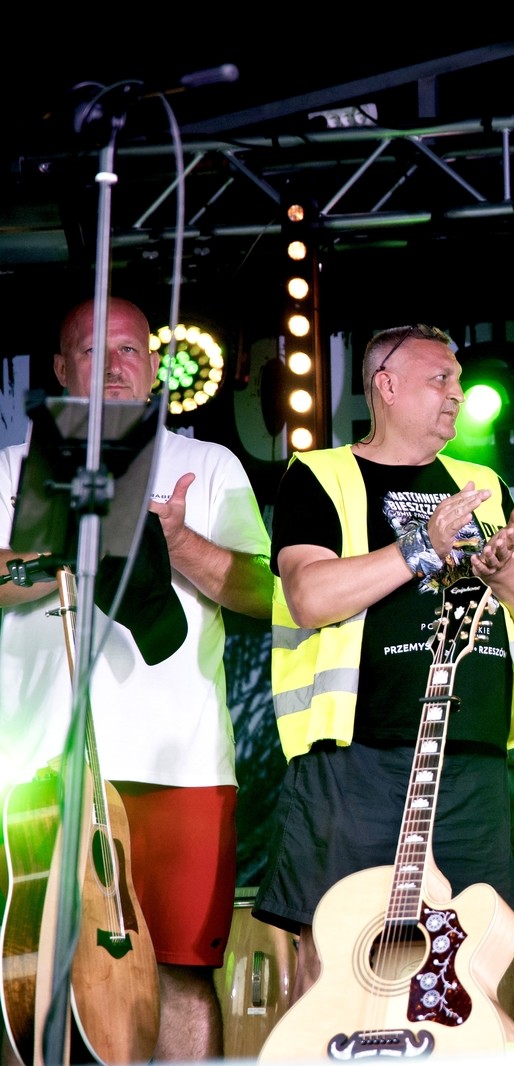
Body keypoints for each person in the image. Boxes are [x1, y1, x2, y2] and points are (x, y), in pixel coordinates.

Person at [0, 295, 274, 1061]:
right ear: (61, 369)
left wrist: (179, 545)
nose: (116, 366)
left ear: (155, 367)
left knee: (181, 968)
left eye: (131, 350)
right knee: (29, 972)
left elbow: (266, 593)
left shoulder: (206, 464)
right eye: (95, 351)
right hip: (38, 765)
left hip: (177, 762)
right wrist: (60, 552)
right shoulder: (12, 467)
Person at [252, 323, 514, 1002]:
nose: (457, 394)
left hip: (469, 752)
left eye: (458, 381)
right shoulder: (322, 474)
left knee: (475, 958)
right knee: (336, 951)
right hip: (359, 754)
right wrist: (422, 546)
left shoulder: (482, 482)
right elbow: (309, 596)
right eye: (440, 379)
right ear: (386, 386)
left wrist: (503, 571)